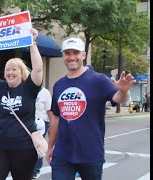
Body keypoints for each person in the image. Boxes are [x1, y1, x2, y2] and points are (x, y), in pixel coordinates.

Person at [46, 37, 136, 180]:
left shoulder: (98, 80)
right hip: (63, 153)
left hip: (91, 153)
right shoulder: (59, 85)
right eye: (67, 53)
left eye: (75, 53)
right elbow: (56, 118)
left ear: (83, 55)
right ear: (63, 56)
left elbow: (119, 99)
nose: (71, 57)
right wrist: (50, 146)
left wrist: (124, 91)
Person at [0, 28, 43, 180]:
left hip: (25, 148)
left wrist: (32, 43)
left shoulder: (29, 87)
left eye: (14, 70)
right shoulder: (0, 87)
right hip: (0, 146)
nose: (10, 73)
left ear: (21, 73)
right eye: (7, 70)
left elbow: (38, 68)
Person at [32, 87, 52, 179]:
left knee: (38, 146)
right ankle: (28, 168)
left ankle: (36, 170)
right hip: (29, 121)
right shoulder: (27, 89)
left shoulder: (45, 92)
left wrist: (52, 126)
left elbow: (49, 110)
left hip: (42, 122)